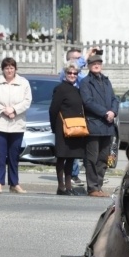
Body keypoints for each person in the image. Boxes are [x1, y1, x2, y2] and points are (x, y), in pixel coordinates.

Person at [0, 57, 32, 194]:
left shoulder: (23, 83)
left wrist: (14, 110)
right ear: (2, 69)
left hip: (16, 123)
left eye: (11, 68)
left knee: (14, 155)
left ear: (15, 69)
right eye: (6, 68)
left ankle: (14, 183)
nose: (9, 70)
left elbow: (27, 101)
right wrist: (3, 110)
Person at [79, 52, 119, 197]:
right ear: (89, 66)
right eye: (93, 63)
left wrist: (113, 112)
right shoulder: (85, 83)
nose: (96, 65)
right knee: (92, 158)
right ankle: (92, 187)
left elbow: (115, 99)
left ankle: (99, 186)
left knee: (103, 158)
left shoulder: (106, 81)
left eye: (99, 63)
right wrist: (105, 113)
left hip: (107, 126)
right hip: (94, 125)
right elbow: (88, 102)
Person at [49, 64, 87, 195]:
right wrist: (54, 127)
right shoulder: (60, 89)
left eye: (75, 73)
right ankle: (61, 186)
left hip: (75, 128)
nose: (72, 75)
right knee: (61, 157)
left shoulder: (77, 90)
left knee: (71, 157)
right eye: (70, 73)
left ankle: (69, 185)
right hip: (62, 127)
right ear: (65, 74)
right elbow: (53, 109)